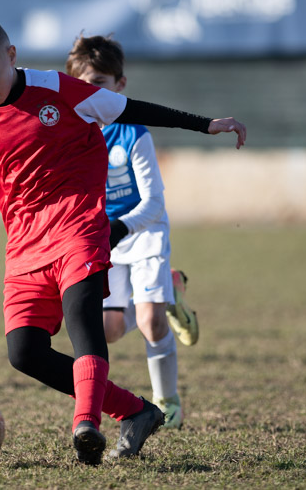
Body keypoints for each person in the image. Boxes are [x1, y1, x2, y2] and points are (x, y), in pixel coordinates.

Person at [0, 15, 245, 464]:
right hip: (24, 247)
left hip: (80, 230)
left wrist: (206, 125)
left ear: (11, 56)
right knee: (24, 353)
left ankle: (86, 425)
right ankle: (136, 411)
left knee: (86, 329)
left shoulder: (58, 89)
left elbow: (131, 109)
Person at [65, 34, 211, 431]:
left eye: (100, 84)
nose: (92, 94)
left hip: (142, 230)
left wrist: (122, 226)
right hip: (105, 237)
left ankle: (168, 402)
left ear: (120, 85)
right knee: (109, 331)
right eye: (83, 85)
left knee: (150, 322)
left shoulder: (133, 133)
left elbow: (154, 203)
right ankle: (169, 291)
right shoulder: (71, 133)